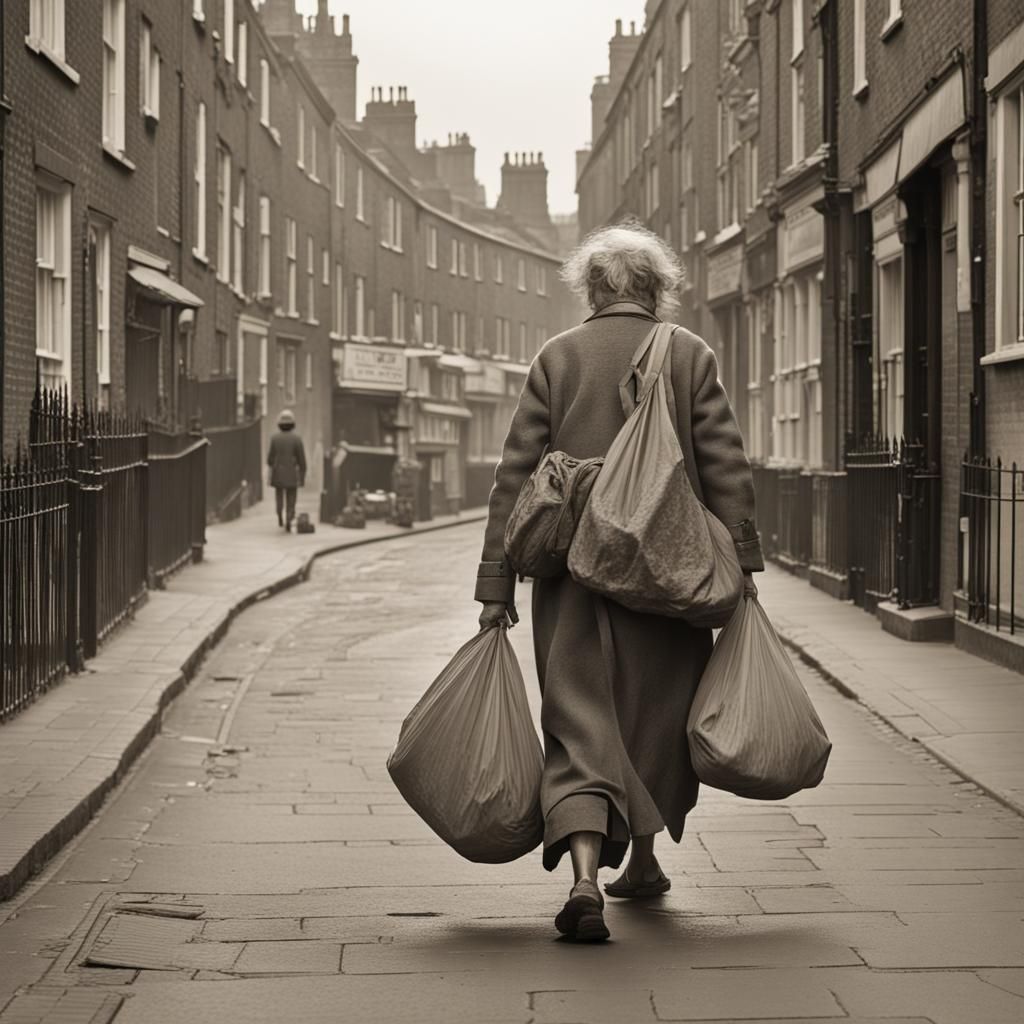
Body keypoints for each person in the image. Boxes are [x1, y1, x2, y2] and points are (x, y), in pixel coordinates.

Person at [475, 222, 764, 942]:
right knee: (656, 721)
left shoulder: (557, 356)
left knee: (579, 727)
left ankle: (583, 880)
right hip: (669, 576)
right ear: (658, 290)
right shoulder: (690, 355)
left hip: (572, 576)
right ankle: (641, 859)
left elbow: (514, 477)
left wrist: (495, 586)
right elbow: (726, 467)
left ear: (593, 289)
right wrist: (744, 566)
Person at [267, 409, 307, 532]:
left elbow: (269, 459)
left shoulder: (274, 438)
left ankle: (279, 514)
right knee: (291, 496)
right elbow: (302, 460)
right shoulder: (297, 439)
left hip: (278, 473)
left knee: (279, 495)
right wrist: (302, 476)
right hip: (291, 473)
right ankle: (289, 516)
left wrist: (274, 465)